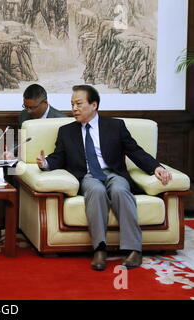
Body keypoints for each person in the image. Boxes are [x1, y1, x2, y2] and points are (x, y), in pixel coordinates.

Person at [36, 85, 172, 271]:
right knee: (96, 190)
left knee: (120, 190)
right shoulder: (66, 131)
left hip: (113, 173)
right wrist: (45, 164)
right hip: (88, 175)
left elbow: (135, 150)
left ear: (94, 104)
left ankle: (134, 249)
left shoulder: (115, 126)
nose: (74, 108)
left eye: (78, 103)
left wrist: (156, 167)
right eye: (72, 104)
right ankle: (100, 249)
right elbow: (58, 157)